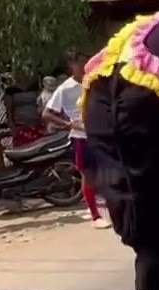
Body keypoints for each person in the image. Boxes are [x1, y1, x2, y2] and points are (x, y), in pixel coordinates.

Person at [43, 49, 110, 229]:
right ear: (71, 65)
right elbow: (47, 114)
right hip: (81, 136)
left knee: (102, 171)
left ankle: (97, 204)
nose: (83, 65)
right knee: (87, 174)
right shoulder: (65, 89)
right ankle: (96, 216)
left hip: (99, 133)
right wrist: (69, 125)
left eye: (85, 61)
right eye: (79, 62)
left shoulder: (93, 82)